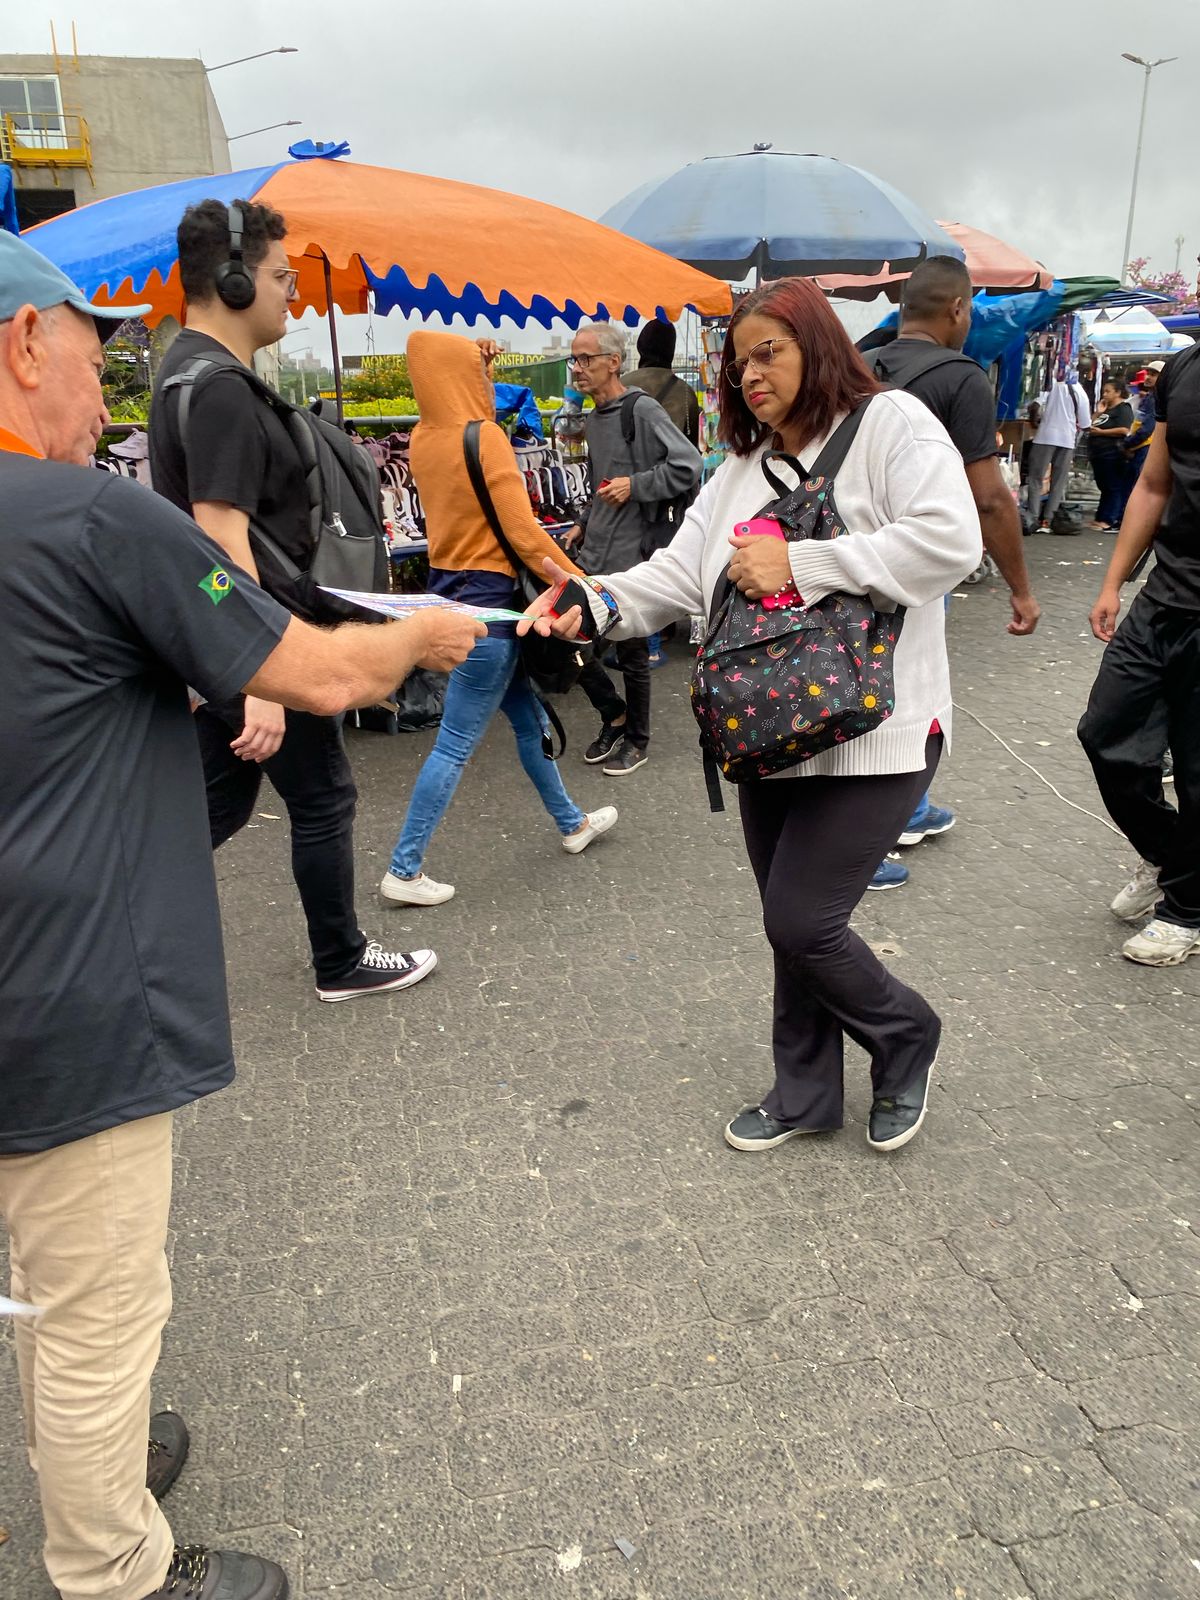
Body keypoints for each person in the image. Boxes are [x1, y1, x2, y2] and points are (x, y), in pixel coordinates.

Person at [0, 230, 484, 1600]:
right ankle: (114, 1566)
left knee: (44, 1273)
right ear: (23, 344)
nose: (104, 395)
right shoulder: (88, 519)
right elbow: (322, 674)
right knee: (98, 1299)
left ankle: (87, 1459)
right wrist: (420, 634)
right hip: (70, 984)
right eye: (89, 358)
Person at [526, 276, 981, 1152]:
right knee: (789, 924)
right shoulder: (740, 469)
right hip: (768, 726)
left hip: (879, 726)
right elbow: (677, 574)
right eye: (739, 364)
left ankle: (905, 1032)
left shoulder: (892, 425)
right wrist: (594, 600)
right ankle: (805, 1094)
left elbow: (950, 541)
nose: (751, 375)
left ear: (819, 344)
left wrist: (804, 563)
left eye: (768, 351)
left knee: (803, 920)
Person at [150, 198, 429, 1003]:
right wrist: (260, 677)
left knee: (216, 805)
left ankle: (103, 925)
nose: (291, 294)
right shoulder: (222, 391)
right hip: (264, 642)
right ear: (234, 282)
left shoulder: (183, 373)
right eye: (280, 276)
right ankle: (340, 960)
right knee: (318, 799)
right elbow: (220, 539)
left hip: (232, 641)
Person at [380, 332, 617, 905]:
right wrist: (585, 584)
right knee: (455, 742)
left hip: (449, 599)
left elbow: (464, 420)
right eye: (477, 371)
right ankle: (403, 870)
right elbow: (522, 532)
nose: (485, 381)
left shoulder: (422, 437)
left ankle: (572, 823)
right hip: (494, 607)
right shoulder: (485, 437)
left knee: (527, 720)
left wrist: (477, 365)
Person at [859, 255, 1041, 890]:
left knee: (883, 689)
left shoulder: (860, 364)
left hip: (847, 557)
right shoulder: (961, 378)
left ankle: (909, 807)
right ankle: (864, 843)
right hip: (914, 564)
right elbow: (989, 498)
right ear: (959, 310)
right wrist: (1021, 589)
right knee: (898, 697)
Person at [1078, 338, 1200, 965]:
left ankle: (1186, 911)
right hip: (1163, 598)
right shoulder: (1185, 368)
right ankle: (1169, 854)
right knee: (1105, 733)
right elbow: (1154, 483)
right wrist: (1113, 582)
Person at [565, 321, 702, 775]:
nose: (577, 368)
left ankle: (637, 741)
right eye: (574, 359)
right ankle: (614, 715)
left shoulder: (641, 410)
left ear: (613, 362)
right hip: (595, 550)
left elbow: (689, 464)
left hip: (633, 552)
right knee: (572, 642)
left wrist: (636, 485)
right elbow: (599, 482)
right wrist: (582, 523)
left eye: (586, 358)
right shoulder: (593, 419)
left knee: (633, 654)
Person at [1025, 372, 1092, 531]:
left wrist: (1035, 422)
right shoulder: (1080, 391)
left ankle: (1032, 518)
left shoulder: (1050, 384)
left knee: (1035, 479)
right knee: (1058, 482)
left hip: (1045, 437)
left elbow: (1035, 406)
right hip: (1067, 440)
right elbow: (1085, 423)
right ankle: (1049, 520)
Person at [624, 318, 702, 448]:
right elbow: (692, 449)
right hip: (671, 460)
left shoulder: (621, 386)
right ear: (671, 349)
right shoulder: (685, 393)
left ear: (640, 346)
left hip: (624, 460)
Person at [1086, 376, 1135, 530]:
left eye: (1108, 391)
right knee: (1104, 486)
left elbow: (1124, 430)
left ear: (1118, 392)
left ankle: (1109, 519)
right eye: (1104, 391)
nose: (1104, 394)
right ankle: (1100, 516)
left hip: (1112, 453)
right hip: (1098, 453)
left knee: (1113, 486)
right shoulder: (1106, 409)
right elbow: (1091, 423)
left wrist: (1101, 432)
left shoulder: (1123, 409)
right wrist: (1098, 412)